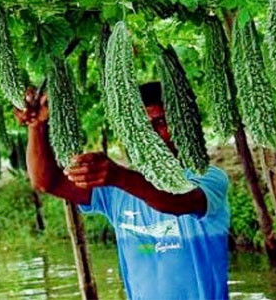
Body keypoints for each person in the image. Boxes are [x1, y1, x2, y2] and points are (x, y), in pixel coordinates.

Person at [14, 82, 230, 300]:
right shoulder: (117, 191)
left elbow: (177, 202)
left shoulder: (208, 177)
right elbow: (47, 182)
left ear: (183, 125)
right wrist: (37, 126)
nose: (152, 135)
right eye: (144, 127)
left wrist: (119, 176)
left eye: (161, 122)